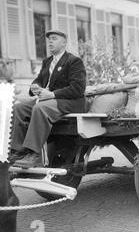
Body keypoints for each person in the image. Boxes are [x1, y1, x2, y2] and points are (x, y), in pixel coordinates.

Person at [9, 30, 87, 167]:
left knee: (40, 108)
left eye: (54, 38)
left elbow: (78, 89)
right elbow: (39, 80)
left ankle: (34, 154)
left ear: (64, 43)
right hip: (49, 100)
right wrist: (35, 87)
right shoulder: (47, 62)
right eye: (49, 39)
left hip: (70, 102)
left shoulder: (74, 61)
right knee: (18, 108)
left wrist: (52, 94)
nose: (50, 41)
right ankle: (18, 151)